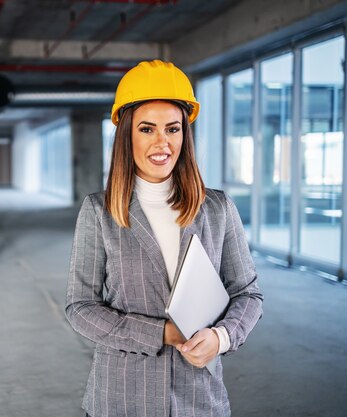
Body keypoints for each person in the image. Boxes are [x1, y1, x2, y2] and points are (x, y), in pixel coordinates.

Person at [65, 60, 263, 417]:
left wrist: (222, 337)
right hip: (122, 398)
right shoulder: (99, 212)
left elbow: (247, 294)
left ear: (185, 135)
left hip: (199, 399)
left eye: (173, 129)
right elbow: (81, 308)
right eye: (147, 129)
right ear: (127, 135)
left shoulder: (217, 209)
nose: (162, 142)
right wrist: (161, 333)